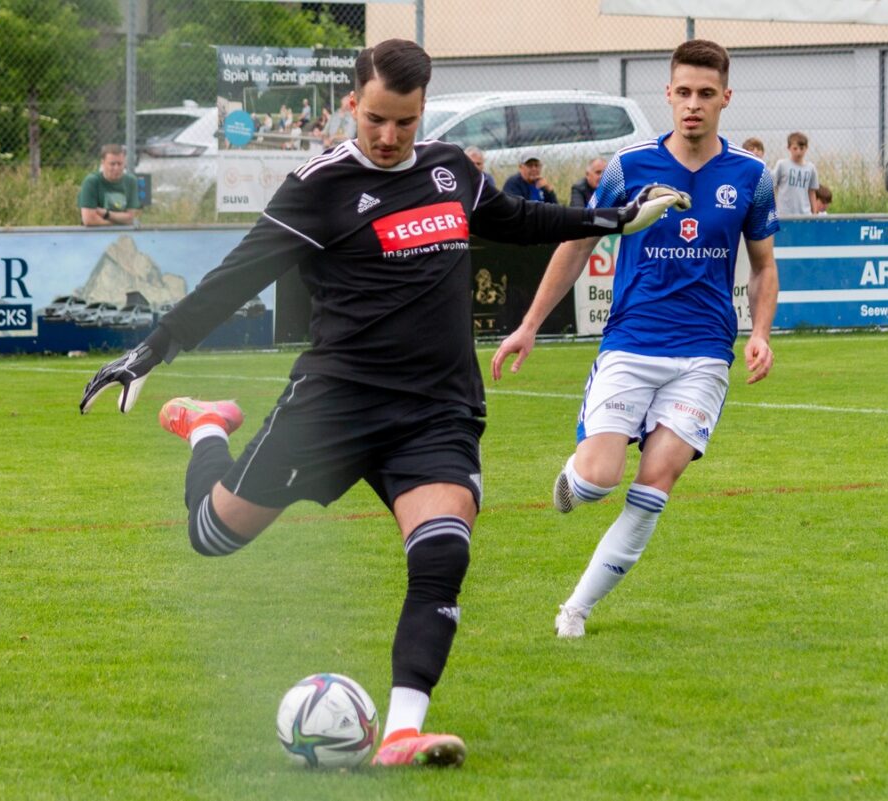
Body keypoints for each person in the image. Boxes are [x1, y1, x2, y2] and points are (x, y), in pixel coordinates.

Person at [78, 38, 682, 767]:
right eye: (375, 120)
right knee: (212, 535)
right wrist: (150, 350)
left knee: (443, 551)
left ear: (423, 110)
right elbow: (235, 278)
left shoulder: (451, 170)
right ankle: (208, 426)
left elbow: (521, 222)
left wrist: (615, 219)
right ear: (351, 105)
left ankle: (401, 732)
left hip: (435, 410)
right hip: (333, 406)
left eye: (405, 121)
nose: (390, 136)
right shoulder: (318, 186)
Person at [490, 38, 780, 639]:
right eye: (684, 92)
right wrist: (529, 325)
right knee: (599, 480)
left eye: (706, 93)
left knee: (655, 484)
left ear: (725, 98)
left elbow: (763, 266)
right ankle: (576, 480)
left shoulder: (751, 177)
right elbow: (578, 244)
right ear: (668, 94)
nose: (693, 104)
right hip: (631, 344)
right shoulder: (629, 167)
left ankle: (576, 609)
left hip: (705, 355)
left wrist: (760, 333)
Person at [78, 144, 141, 227]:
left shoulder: (131, 181)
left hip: (123, 234)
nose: (116, 168)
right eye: (112, 164)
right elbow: (89, 220)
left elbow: (131, 217)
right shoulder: (91, 182)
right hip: (95, 233)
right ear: (103, 163)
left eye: (120, 164)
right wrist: (120, 222)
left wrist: (106, 214)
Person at [772, 131, 819, 215]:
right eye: (795, 148)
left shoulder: (811, 168)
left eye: (802, 148)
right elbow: (773, 187)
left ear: (806, 148)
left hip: (804, 214)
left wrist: (814, 214)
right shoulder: (782, 165)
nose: (798, 152)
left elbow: (812, 192)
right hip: (784, 214)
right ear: (788, 148)